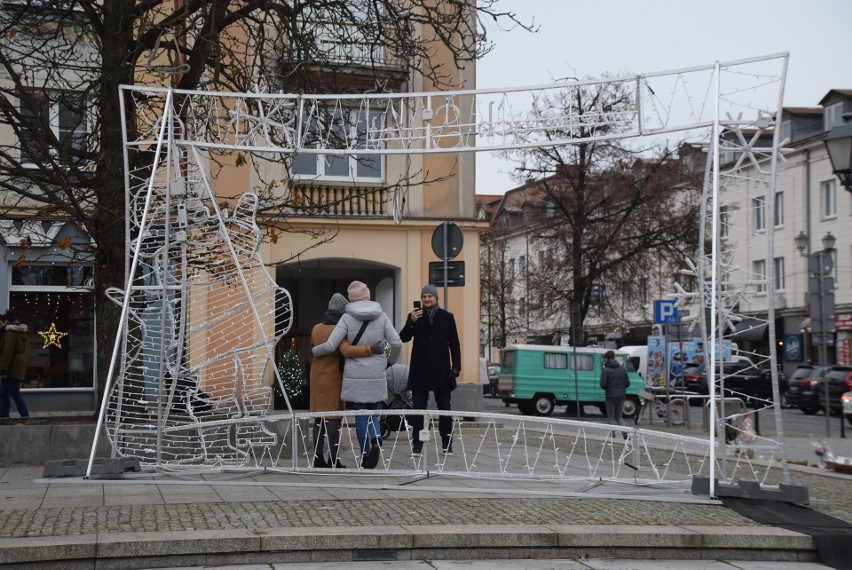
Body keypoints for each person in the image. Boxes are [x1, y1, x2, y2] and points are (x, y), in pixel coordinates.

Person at [311, 281, 402, 469]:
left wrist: (314, 351)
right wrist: (389, 362)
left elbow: (331, 346)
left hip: (355, 373)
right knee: (373, 414)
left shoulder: (346, 318)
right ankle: (376, 438)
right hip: (377, 370)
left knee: (361, 414)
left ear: (350, 299)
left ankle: (366, 454)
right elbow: (397, 343)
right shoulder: (382, 316)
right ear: (368, 295)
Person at [309, 293, 377, 469]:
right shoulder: (339, 328)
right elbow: (346, 350)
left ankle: (317, 458)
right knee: (333, 419)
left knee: (319, 419)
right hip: (333, 379)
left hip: (316, 378)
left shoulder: (316, 328)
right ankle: (333, 459)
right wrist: (369, 349)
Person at [400, 284, 461, 456]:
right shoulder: (414, 317)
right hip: (420, 370)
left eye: (430, 296)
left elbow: (454, 343)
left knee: (444, 408)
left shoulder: (447, 317)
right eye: (424, 296)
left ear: (436, 298)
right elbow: (403, 337)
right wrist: (411, 322)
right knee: (418, 408)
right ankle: (417, 445)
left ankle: (447, 443)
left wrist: (456, 366)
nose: (427, 299)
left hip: (442, 370)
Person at [0, 310, 30, 418]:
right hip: (15, 364)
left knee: (14, 393)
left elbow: (8, 351)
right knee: (3, 393)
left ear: (6, 322)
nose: (1, 324)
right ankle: (4, 417)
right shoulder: (16, 332)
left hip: (12, 366)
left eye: (1, 322)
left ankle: (25, 416)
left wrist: (3, 369)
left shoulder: (10, 333)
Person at [600, 350, 630, 434]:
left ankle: (612, 435)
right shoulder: (622, 369)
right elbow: (627, 383)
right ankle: (625, 433)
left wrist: (609, 388)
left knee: (611, 417)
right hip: (621, 396)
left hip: (610, 396)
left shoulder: (605, 370)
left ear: (606, 359)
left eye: (604, 359)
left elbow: (603, 385)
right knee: (619, 417)